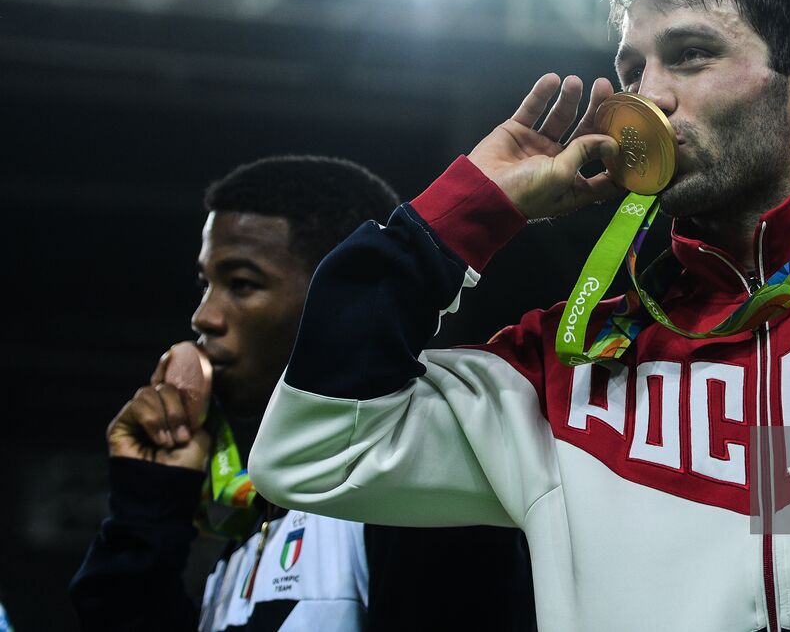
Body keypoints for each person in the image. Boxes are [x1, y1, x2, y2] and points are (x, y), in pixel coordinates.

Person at [247, 0, 790, 631]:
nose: (648, 98)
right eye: (633, 67)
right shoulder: (563, 371)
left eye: (691, 55)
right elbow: (310, 451)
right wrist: (472, 204)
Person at [70, 156, 533, 631]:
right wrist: (147, 508)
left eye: (242, 283)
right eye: (206, 284)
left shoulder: (419, 497)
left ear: (331, 297)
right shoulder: (251, 528)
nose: (203, 317)